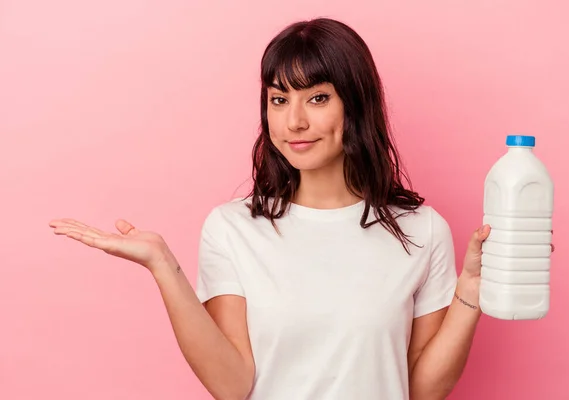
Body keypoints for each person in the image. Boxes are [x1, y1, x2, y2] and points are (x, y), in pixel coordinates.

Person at [50, 18, 494, 400]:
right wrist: (164, 266)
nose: (293, 121)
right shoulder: (232, 228)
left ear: (355, 105)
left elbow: (422, 389)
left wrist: (469, 290)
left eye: (317, 98)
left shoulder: (421, 230)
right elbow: (231, 384)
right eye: (279, 99)